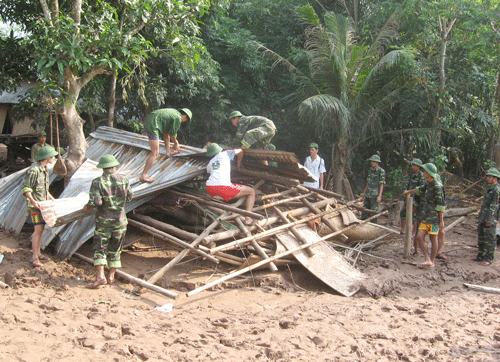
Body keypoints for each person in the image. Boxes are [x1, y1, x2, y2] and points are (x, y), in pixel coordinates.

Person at [83, 154, 133, 288]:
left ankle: (100, 277)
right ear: (114, 166)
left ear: (102, 168)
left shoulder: (97, 182)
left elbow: (97, 202)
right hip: (120, 220)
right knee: (116, 248)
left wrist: (87, 207)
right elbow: (129, 197)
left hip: (103, 221)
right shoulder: (124, 179)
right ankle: (111, 276)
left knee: (100, 248)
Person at [21, 145, 58, 267]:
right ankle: (34, 257)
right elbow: (27, 189)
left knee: (41, 230)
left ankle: (38, 253)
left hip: (43, 206)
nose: (54, 158)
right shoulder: (33, 170)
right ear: (47, 157)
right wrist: (33, 201)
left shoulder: (45, 169)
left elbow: (44, 190)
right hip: (34, 208)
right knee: (37, 231)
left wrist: (53, 200)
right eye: (53, 156)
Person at [403, 163, 445, 269]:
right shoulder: (428, 184)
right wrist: (409, 191)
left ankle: (432, 261)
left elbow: (441, 205)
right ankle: (427, 258)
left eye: (425, 172)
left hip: (434, 219)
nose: (423, 173)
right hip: (425, 217)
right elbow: (419, 190)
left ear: (429, 174)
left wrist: (441, 221)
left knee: (433, 238)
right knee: (419, 237)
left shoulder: (437, 186)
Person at [205, 143, 256, 226]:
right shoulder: (225, 154)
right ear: (219, 150)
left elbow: (210, 175)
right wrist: (239, 162)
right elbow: (240, 150)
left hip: (210, 188)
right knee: (251, 191)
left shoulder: (210, 162)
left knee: (216, 184)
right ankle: (248, 218)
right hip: (224, 188)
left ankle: (211, 195)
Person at [140, 108, 192, 183]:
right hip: (153, 124)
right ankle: (143, 176)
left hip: (149, 120)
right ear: (186, 117)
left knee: (157, 149)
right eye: (186, 121)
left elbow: (166, 134)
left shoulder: (174, 113)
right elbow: (173, 135)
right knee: (155, 152)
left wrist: (168, 152)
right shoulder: (178, 118)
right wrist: (176, 143)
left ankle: (168, 152)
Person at [474, 167, 500, 266]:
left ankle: (489, 258)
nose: (488, 178)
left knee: (490, 238)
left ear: (495, 178)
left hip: (490, 217)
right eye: (488, 176)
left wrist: (490, 219)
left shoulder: (496, 190)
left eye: (490, 177)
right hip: (483, 216)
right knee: (481, 236)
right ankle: (480, 255)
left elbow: (494, 206)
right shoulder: (489, 188)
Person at [400, 158, 426, 249]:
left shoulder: (421, 176)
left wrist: (411, 193)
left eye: (414, 165)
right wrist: (407, 192)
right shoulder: (412, 176)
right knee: (403, 212)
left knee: (415, 217)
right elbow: (409, 185)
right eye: (412, 165)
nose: (412, 166)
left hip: (416, 199)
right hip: (409, 197)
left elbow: (421, 189)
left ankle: (413, 232)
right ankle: (403, 229)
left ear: (418, 167)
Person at [361, 154, 386, 223]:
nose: (372, 163)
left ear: (377, 163)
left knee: (374, 212)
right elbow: (368, 182)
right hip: (368, 193)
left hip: (375, 194)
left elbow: (382, 184)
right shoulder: (370, 170)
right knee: (365, 210)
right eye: (371, 161)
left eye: (374, 161)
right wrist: (364, 193)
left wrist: (379, 196)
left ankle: (373, 226)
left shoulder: (381, 171)